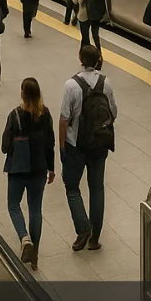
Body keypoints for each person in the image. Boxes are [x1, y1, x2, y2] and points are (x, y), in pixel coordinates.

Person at [58, 44, 117, 252]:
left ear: (80, 58)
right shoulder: (105, 82)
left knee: (72, 187)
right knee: (97, 188)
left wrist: (62, 146)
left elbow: (64, 119)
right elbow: (113, 112)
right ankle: (95, 237)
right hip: (100, 144)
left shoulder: (71, 85)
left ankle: (83, 228)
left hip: (76, 145)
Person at [2, 78, 56, 270]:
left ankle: (25, 239)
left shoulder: (15, 115)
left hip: (18, 169)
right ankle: (35, 257)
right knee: (35, 209)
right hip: (39, 169)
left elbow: (4, 146)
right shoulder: (46, 114)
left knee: (13, 204)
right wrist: (51, 168)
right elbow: (50, 144)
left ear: (22, 94)